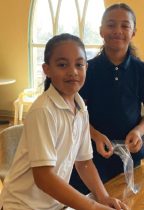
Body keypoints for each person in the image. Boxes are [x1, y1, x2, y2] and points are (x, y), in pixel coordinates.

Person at [0, 34, 127, 210]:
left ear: (86, 67)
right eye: (62, 64)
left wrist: (103, 197)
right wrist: (93, 207)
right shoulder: (43, 111)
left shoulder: (81, 108)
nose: (72, 71)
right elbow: (44, 177)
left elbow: (84, 163)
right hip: (22, 205)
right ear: (47, 69)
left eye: (79, 65)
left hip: (54, 204)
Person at [70, 3, 144, 194]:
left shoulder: (143, 70)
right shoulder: (87, 69)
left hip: (130, 153)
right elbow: (76, 113)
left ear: (133, 31)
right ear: (101, 30)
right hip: (90, 154)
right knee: (90, 201)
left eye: (125, 25)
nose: (117, 31)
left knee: (127, 200)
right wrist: (95, 135)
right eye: (111, 25)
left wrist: (138, 131)